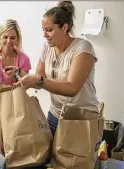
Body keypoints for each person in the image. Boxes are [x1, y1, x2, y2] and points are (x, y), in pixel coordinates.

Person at [16, 1, 99, 136]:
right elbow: (39, 77)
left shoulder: (83, 48)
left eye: (49, 30)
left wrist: (38, 80)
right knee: (51, 155)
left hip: (81, 117)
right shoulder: (47, 48)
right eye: (43, 30)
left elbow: (72, 88)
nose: (45, 34)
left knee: (77, 157)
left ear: (64, 27)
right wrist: (19, 74)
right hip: (55, 114)